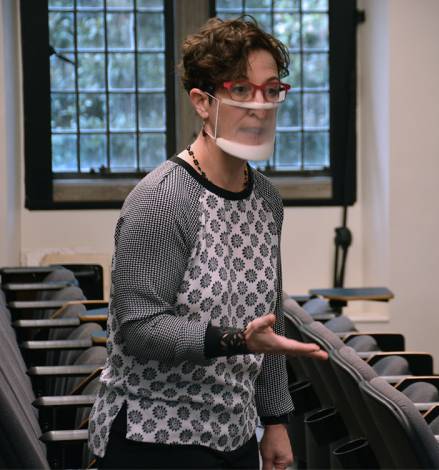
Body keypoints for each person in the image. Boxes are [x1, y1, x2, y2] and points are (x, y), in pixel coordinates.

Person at [88, 16, 327, 469]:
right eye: (241, 90)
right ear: (202, 101)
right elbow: (138, 328)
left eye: (272, 90)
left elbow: (267, 326)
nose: (260, 106)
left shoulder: (266, 199)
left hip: (233, 435)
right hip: (154, 439)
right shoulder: (163, 198)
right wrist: (236, 340)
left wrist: (274, 420)